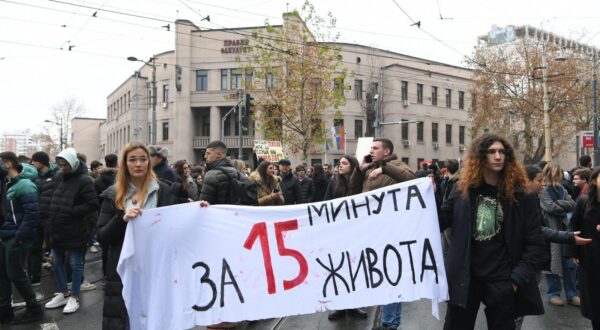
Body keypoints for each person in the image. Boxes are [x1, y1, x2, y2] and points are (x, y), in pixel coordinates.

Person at [438, 133, 546, 330]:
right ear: (480, 157)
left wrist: (515, 280)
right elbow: (438, 220)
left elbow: (535, 242)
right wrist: (428, 196)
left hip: (502, 280)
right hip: (465, 279)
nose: (498, 156)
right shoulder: (462, 190)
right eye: (491, 152)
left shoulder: (522, 195)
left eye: (502, 152)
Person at [97, 142, 187, 329]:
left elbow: (179, 227)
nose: (138, 164)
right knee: (126, 321)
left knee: (157, 319)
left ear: (149, 162)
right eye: (132, 160)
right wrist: (121, 219)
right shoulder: (113, 195)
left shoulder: (166, 191)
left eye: (143, 159)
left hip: (157, 269)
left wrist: (199, 211)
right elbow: (103, 237)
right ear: (125, 164)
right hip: (123, 270)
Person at [359, 138, 415, 330]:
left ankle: (390, 322)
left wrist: (384, 169)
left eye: (375, 148)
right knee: (382, 276)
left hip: (391, 231)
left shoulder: (395, 165)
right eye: (371, 148)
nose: (372, 151)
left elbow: (412, 178)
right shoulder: (369, 168)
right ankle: (390, 321)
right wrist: (361, 168)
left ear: (386, 151)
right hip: (374, 230)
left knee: (390, 277)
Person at [45, 148, 100, 314]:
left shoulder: (85, 180)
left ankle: (74, 297)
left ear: (74, 163)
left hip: (76, 229)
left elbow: (92, 204)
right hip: (57, 228)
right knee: (55, 262)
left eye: (66, 164)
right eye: (61, 164)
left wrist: (70, 211)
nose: (63, 167)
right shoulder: (59, 176)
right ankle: (64, 292)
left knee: (76, 264)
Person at [0, 152, 43, 324]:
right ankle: (4, 310)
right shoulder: (6, 184)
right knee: (2, 274)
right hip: (5, 235)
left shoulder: (25, 185)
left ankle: (34, 309)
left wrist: (18, 237)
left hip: (17, 237)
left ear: (8, 163)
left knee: (16, 273)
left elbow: (32, 215)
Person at [324, 155, 367, 321]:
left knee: (355, 269)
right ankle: (340, 306)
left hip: (357, 232)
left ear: (353, 165)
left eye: (344, 163)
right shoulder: (333, 183)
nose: (340, 166)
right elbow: (325, 204)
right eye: (339, 163)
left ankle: (354, 304)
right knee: (340, 269)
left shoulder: (361, 183)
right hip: (338, 232)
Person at [539, 162, 579, 307]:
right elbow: (549, 207)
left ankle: (571, 294)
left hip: (565, 230)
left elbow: (573, 204)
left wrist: (557, 204)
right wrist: (561, 206)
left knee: (569, 264)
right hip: (550, 231)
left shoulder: (562, 188)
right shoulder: (542, 190)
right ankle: (553, 294)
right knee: (553, 264)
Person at [570, 167, 600, 330]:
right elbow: (574, 225)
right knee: (594, 303)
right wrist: (573, 252)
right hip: (590, 258)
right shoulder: (584, 201)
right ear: (595, 180)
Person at [199, 140, 238, 205]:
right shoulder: (235, 171)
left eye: (208, 153)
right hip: (234, 213)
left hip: (216, 214)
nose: (205, 156)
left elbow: (203, 204)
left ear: (219, 154)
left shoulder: (211, 175)